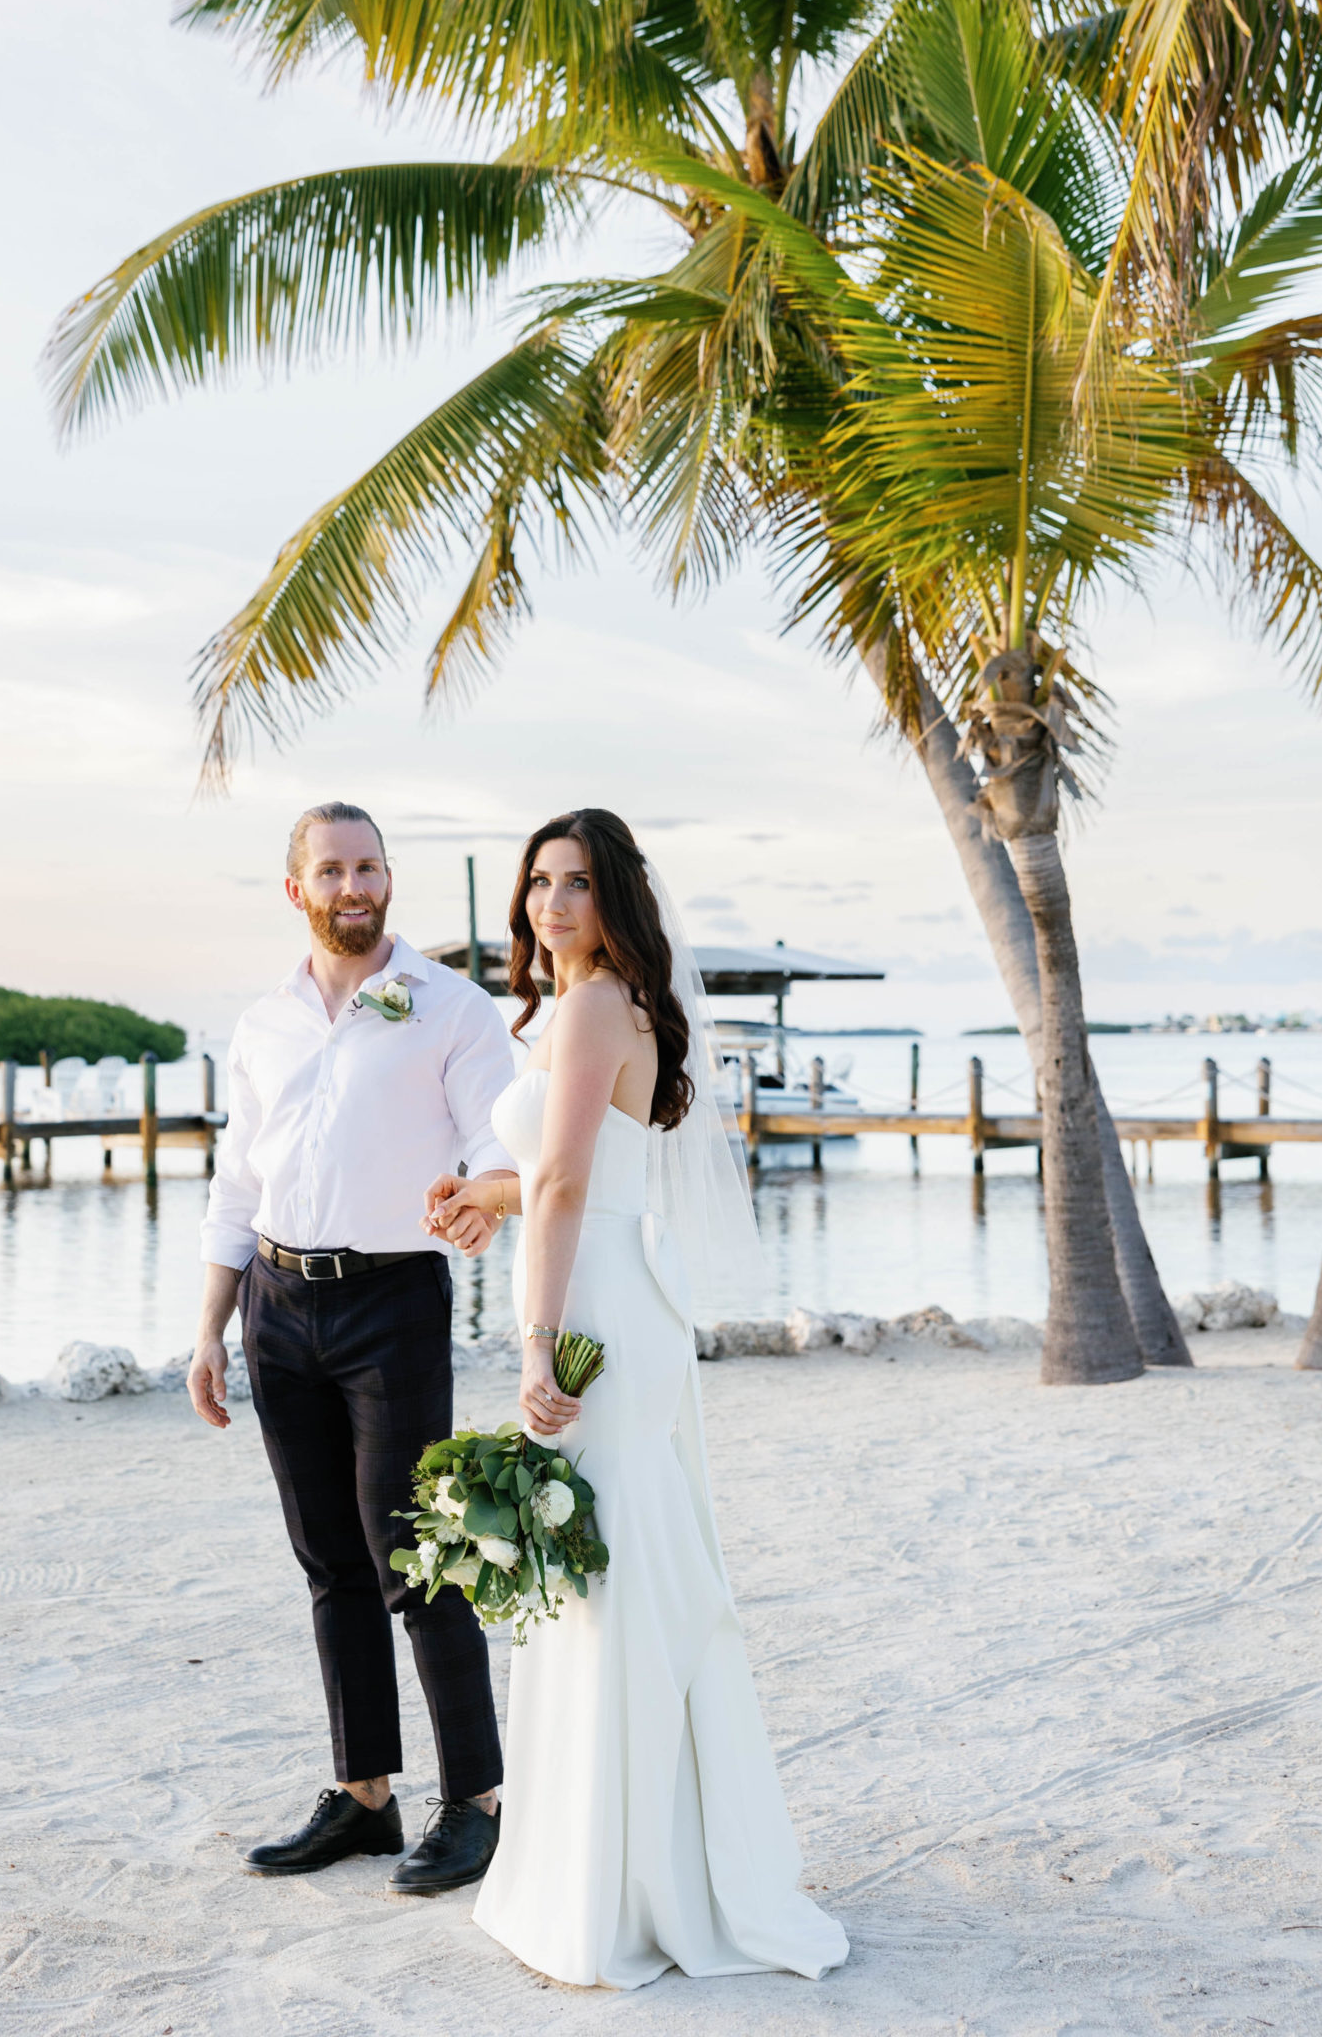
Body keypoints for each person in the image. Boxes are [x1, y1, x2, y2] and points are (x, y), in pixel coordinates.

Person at [425, 808, 849, 1988]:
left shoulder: (599, 1000)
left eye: (579, 883)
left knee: (602, 1586)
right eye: (540, 881)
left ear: (617, 898)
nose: (553, 903)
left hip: (597, 1312)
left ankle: (623, 1884)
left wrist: (537, 1343)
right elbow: (571, 1176)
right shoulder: (586, 1007)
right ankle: (624, 1862)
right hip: (615, 1284)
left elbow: (568, 1183)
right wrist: (486, 1196)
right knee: (604, 1580)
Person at [187, 801, 518, 1895]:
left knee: (417, 1558)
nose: (354, 884)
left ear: (388, 879)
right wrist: (209, 1326)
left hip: (393, 1305)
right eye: (331, 868)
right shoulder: (261, 1024)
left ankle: (473, 1802)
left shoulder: (452, 1008)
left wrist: (483, 1196)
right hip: (275, 1303)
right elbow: (238, 1182)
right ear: (298, 890)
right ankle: (365, 1794)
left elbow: (495, 1144)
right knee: (329, 1559)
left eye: (370, 864)